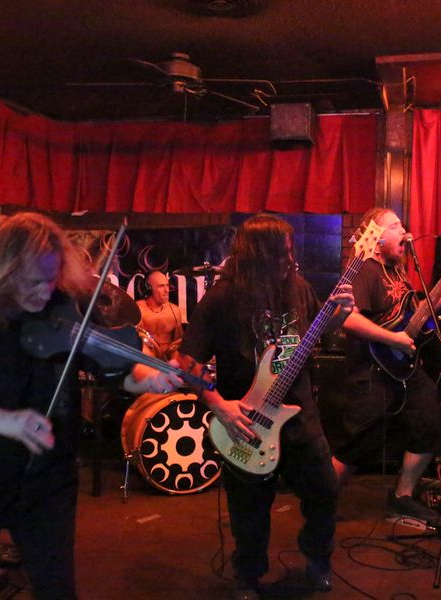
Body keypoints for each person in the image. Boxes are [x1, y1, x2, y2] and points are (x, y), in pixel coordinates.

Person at [0, 212, 180, 599]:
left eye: (51, 279)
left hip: (49, 482)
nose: (44, 290)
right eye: (34, 281)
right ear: (5, 270)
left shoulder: (67, 305)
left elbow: (118, 372)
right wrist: (0, 420)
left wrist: (150, 379)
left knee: (57, 591)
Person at [177, 213, 354, 600]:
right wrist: (219, 405)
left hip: (300, 415)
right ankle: (247, 575)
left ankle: (318, 560)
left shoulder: (298, 288)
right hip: (245, 421)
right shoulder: (222, 299)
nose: (288, 261)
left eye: (290, 253)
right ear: (256, 255)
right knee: (249, 508)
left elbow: (316, 331)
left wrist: (339, 314)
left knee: (324, 489)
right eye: (279, 254)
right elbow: (187, 363)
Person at [335, 207, 441, 525]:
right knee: (355, 445)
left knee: (429, 423)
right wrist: (392, 340)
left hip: (403, 368)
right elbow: (348, 319)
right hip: (372, 368)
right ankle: (319, 496)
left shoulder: (398, 272)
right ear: (377, 237)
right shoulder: (365, 269)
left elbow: (417, 318)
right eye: (395, 226)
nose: (405, 232)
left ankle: (402, 497)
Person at [136, 270, 184, 357]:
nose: (167, 290)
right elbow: (136, 341)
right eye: (161, 286)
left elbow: (178, 342)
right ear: (149, 289)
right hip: (147, 358)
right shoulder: (139, 310)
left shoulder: (175, 310)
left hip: (168, 358)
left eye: (167, 285)